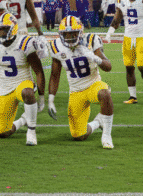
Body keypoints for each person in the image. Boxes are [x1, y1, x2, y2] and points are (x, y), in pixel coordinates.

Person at [47, 16, 114, 149]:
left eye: (73, 33)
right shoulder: (56, 46)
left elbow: (108, 67)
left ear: (80, 32)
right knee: (78, 135)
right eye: (66, 34)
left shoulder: (91, 40)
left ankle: (107, 135)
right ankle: (98, 123)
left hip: (93, 85)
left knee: (104, 94)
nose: (69, 37)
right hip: (76, 91)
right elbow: (54, 75)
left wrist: (96, 58)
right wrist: (51, 100)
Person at [0, 13, 45, 146]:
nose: (0, 32)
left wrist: (41, 96)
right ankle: (23, 120)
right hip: (5, 88)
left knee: (27, 93)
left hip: (23, 83)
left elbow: (39, 71)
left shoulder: (25, 43)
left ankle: (31, 131)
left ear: (13, 29)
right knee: (2, 132)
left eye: (4, 29)